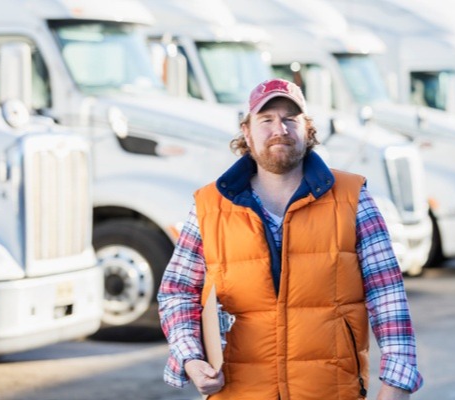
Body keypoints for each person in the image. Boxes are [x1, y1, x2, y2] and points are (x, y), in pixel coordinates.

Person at [158, 78, 423, 399]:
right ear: (247, 131)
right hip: (239, 392)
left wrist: (397, 383)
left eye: (290, 118)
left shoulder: (353, 198)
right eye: (266, 119)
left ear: (307, 128)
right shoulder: (209, 205)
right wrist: (190, 358)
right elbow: (177, 292)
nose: (279, 129)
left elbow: (387, 295)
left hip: (332, 391)